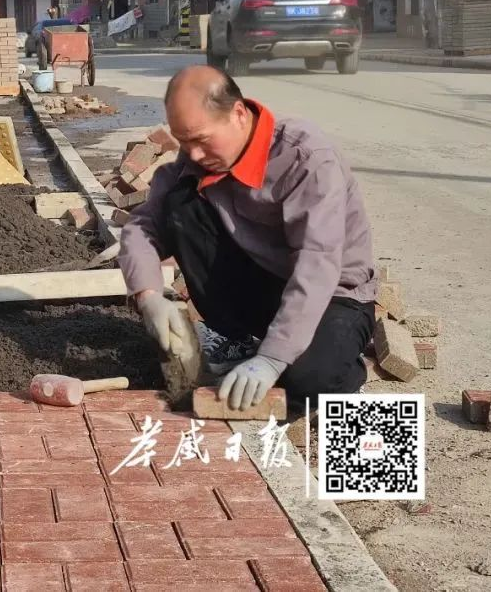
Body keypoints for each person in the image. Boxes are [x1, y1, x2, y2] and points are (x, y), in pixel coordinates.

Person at [118, 65, 376, 411]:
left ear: (238, 115)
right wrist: (149, 296)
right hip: (266, 286)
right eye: (184, 142)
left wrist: (272, 358)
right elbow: (142, 226)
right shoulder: (198, 159)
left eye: (201, 139)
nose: (193, 154)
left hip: (333, 295)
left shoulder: (305, 159)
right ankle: (241, 340)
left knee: (309, 380)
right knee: (180, 202)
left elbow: (317, 266)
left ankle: (343, 374)